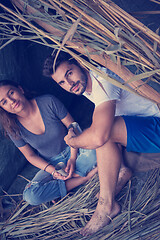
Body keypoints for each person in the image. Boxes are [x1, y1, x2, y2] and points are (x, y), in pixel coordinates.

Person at [43, 51, 160, 236]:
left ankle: (106, 206)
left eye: (69, 73)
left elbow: (98, 137)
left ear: (80, 63)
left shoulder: (103, 80)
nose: (69, 84)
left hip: (156, 128)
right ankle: (120, 174)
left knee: (102, 133)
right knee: (100, 128)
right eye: (62, 83)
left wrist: (72, 141)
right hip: (141, 127)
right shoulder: (88, 86)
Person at [0, 80, 98, 206]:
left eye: (11, 93)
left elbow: (72, 126)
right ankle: (86, 177)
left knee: (96, 148)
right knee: (30, 196)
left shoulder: (48, 101)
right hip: (53, 163)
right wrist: (53, 171)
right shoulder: (13, 128)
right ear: (3, 108)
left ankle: (64, 185)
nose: (11, 101)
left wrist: (73, 158)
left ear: (20, 89)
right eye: (4, 102)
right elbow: (30, 156)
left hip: (75, 147)